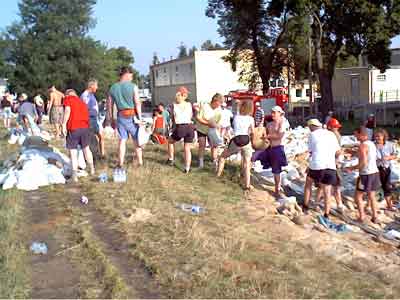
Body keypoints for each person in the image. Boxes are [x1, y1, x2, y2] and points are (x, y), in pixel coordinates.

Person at [303, 119, 341, 218]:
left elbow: (311, 151)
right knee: (327, 190)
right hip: (330, 166)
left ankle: (305, 206)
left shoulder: (312, 134)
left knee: (308, 184)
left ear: (311, 126)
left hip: (317, 164)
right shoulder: (331, 134)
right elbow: (338, 152)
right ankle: (326, 214)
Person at [107, 67, 143, 171]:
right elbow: (137, 102)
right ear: (126, 75)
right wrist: (140, 118)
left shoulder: (113, 87)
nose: (131, 78)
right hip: (132, 115)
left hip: (120, 116)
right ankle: (140, 162)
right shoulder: (133, 87)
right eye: (131, 76)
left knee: (122, 140)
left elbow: (110, 105)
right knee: (136, 139)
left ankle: (121, 163)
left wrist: (111, 119)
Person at [345, 127, 381, 223]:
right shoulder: (371, 144)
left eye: (356, 134)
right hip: (374, 172)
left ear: (361, 134)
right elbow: (364, 154)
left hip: (365, 174)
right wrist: (352, 152)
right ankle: (375, 216)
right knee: (372, 196)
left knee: (358, 196)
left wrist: (351, 168)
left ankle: (362, 217)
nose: (355, 136)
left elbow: (363, 162)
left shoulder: (362, 146)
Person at [217, 100, 254, 190]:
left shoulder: (236, 117)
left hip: (237, 140)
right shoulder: (251, 119)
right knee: (247, 163)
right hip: (246, 139)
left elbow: (234, 126)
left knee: (222, 157)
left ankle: (217, 176)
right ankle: (247, 184)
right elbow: (252, 131)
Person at [253, 106, 288, 197]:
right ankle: (245, 176)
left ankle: (277, 189)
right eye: (272, 112)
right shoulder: (269, 124)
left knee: (276, 170)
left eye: (274, 113)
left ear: (280, 113)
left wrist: (267, 136)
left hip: (277, 148)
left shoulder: (282, 123)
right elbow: (265, 134)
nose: (272, 114)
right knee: (253, 157)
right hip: (269, 148)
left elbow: (279, 136)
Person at [62, 89, 95, 183]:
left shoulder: (68, 99)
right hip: (85, 128)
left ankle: (75, 175)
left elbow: (67, 110)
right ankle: (92, 169)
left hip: (74, 128)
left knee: (73, 152)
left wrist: (64, 124)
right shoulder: (82, 102)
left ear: (67, 95)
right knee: (86, 149)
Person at [316, 118, 345, 213]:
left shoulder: (335, 136)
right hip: (330, 163)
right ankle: (319, 202)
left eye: (337, 127)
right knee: (326, 184)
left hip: (332, 163)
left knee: (333, 185)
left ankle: (338, 204)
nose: (337, 129)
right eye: (335, 127)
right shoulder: (332, 136)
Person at [167, 86, 194, 173]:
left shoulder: (173, 105)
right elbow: (191, 116)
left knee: (170, 141)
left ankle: (171, 159)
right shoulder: (189, 104)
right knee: (187, 148)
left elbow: (172, 118)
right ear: (184, 95)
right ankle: (187, 168)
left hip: (180, 127)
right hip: (190, 127)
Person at [195, 93, 223, 168]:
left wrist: (218, 130)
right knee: (202, 145)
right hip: (202, 129)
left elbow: (218, 123)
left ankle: (214, 161)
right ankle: (201, 163)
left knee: (214, 146)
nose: (219, 105)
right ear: (214, 100)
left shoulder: (219, 110)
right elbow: (198, 118)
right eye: (219, 103)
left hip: (212, 130)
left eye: (220, 104)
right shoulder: (205, 106)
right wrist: (208, 123)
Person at [81, 79, 105, 158]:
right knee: (91, 138)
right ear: (91, 86)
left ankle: (102, 154)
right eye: (96, 86)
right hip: (89, 119)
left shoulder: (91, 95)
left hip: (94, 119)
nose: (97, 88)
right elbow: (84, 108)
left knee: (101, 136)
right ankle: (93, 156)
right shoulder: (85, 95)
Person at [375, 128, 397, 211]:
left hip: (386, 168)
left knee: (386, 186)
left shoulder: (390, 145)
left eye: (379, 136)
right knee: (374, 187)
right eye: (376, 136)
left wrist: (388, 157)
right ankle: (370, 205)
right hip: (375, 168)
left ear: (384, 136)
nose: (377, 138)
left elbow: (395, 155)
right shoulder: (372, 145)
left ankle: (389, 205)